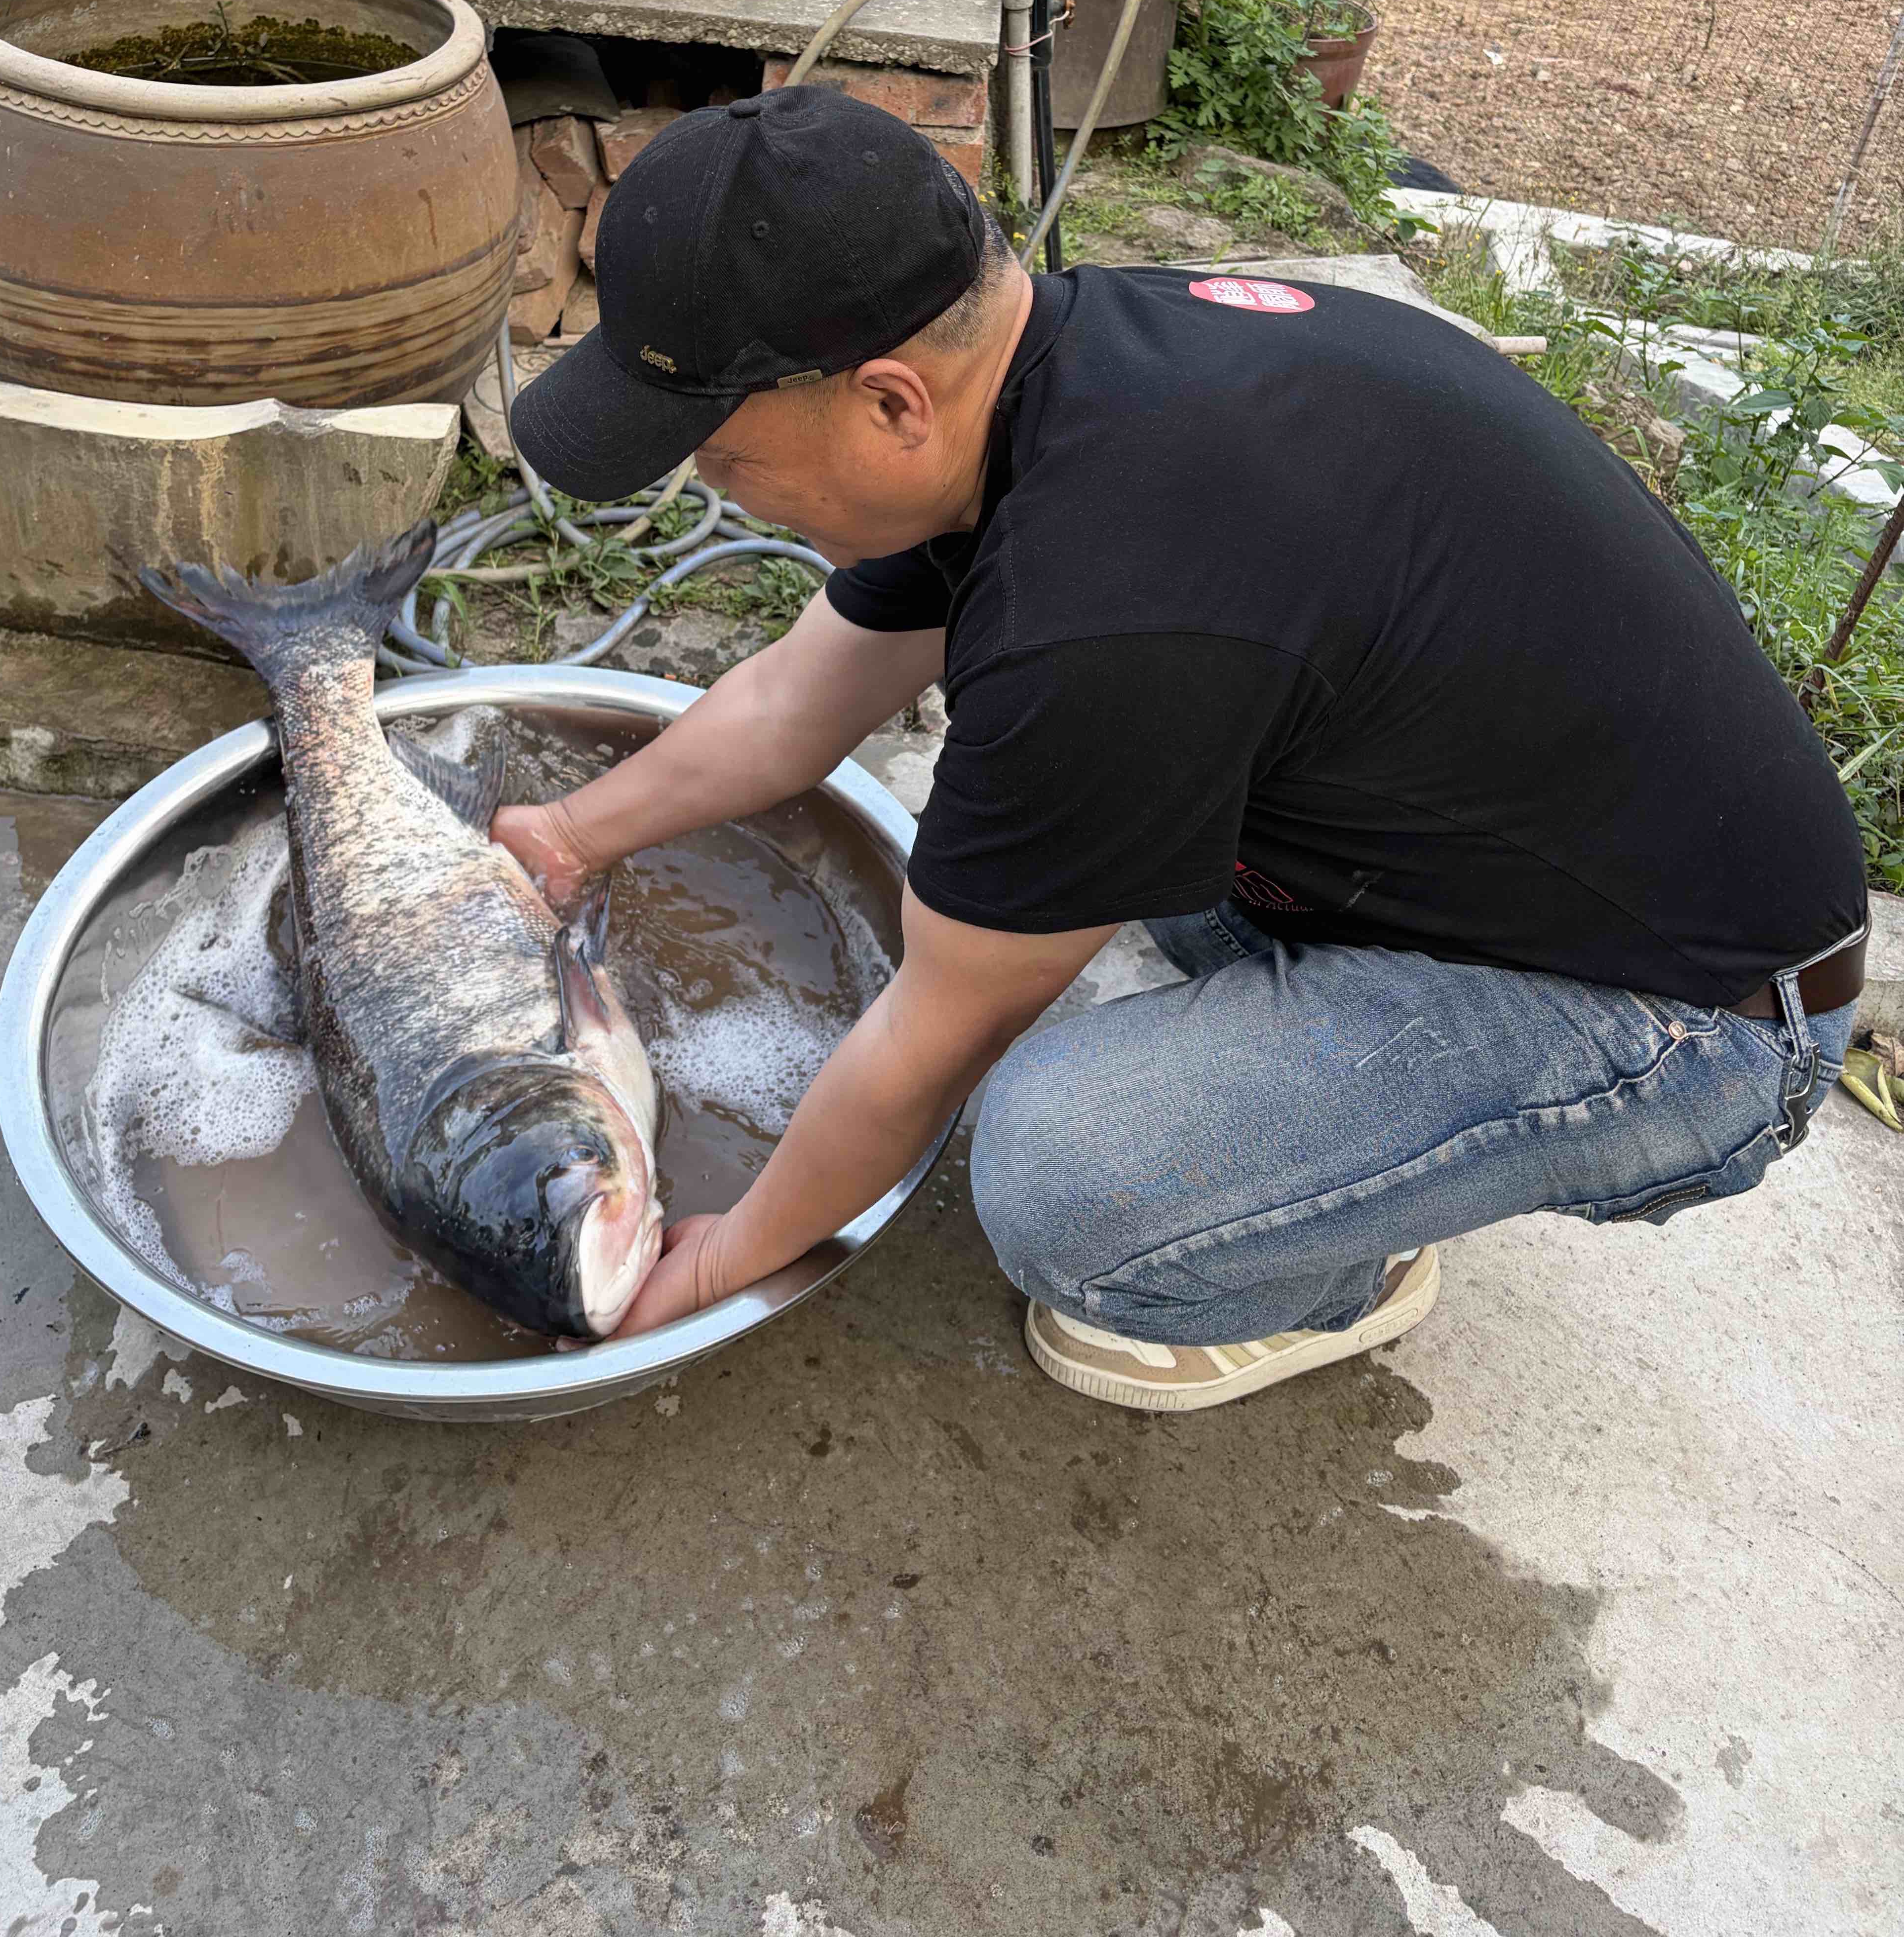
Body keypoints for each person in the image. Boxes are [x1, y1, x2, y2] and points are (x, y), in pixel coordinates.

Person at [500, 85, 1866, 1411]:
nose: (720, 492)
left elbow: (933, 1033)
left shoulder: (1104, 609)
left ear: (892, 404)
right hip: (1518, 842)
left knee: (1069, 1180)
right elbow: (798, 699)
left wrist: (727, 1256)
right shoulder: (1060, 373)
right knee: (1086, 867)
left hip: (1701, 1020)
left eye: (728, 462)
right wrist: (564, 841)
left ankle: (1335, 1268)